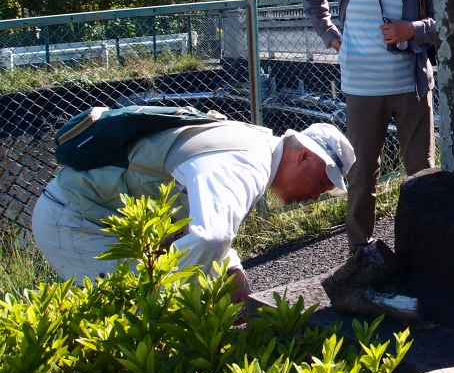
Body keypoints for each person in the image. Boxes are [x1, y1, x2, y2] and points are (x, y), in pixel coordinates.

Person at [32, 121, 355, 302]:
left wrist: (231, 269)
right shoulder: (249, 165)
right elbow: (210, 238)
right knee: (139, 310)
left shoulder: (255, 145)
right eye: (321, 183)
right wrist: (187, 294)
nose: (315, 196)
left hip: (92, 211)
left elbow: (207, 219)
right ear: (304, 157)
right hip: (76, 218)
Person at [303, 0, 436, 249]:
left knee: (421, 173)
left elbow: (445, 18)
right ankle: (360, 251)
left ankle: (424, 248)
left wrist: (412, 29)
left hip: (411, 86)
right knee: (361, 174)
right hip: (362, 87)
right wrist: (332, 38)